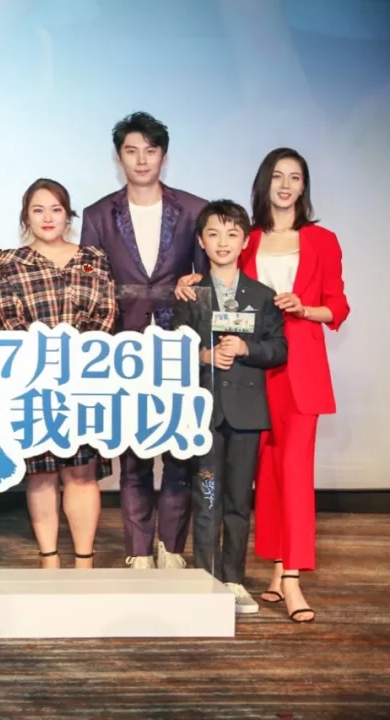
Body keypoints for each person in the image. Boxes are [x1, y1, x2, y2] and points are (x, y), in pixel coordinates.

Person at [175, 149, 349, 622]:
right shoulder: (246, 236)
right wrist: (190, 282)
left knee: (294, 472)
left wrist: (304, 308)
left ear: (304, 186)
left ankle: (291, 576)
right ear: (264, 182)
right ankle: (272, 569)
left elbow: (338, 306)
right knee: (260, 478)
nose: (286, 185)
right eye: (278, 176)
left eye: (295, 177)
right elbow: (220, 276)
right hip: (246, 376)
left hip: (298, 366)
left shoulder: (322, 240)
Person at [80, 112, 208, 570]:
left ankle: (171, 548)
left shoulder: (193, 210)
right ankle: (137, 550)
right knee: (132, 454)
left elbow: (206, 280)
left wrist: (197, 284)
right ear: (119, 157)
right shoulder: (98, 214)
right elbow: (91, 284)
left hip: (179, 344)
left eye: (150, 151)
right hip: (122, 344)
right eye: (131, 151)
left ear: (163, 156)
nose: (141, 160)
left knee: (178, 451)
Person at [0, 179, 116, 569]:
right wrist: (43, 361)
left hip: (84, 380)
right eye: (38, 210)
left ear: (68, 214)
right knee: (42, 475)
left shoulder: (92, 257)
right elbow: (7, 316)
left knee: (82, 473)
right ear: (26, 217)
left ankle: (84, 561)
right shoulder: (11, 262)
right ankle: (49, 559)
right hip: (35, 382)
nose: (47, 217)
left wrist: (80, 359)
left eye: (56, 209)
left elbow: (106, 313)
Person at [174, 200, 287, 615]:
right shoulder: (190, 293)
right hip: (204, 413)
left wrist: (246, 348)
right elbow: (174, 348)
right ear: (202, 241)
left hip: (246, 415)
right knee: (206, 498)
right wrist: (204, 357)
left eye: (232, 234)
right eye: (214, 234)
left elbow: (279, 349)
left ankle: (233, 580)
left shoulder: (262, 296)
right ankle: (204, 581)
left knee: (239, 502)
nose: (223, 242)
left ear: (245, 242)